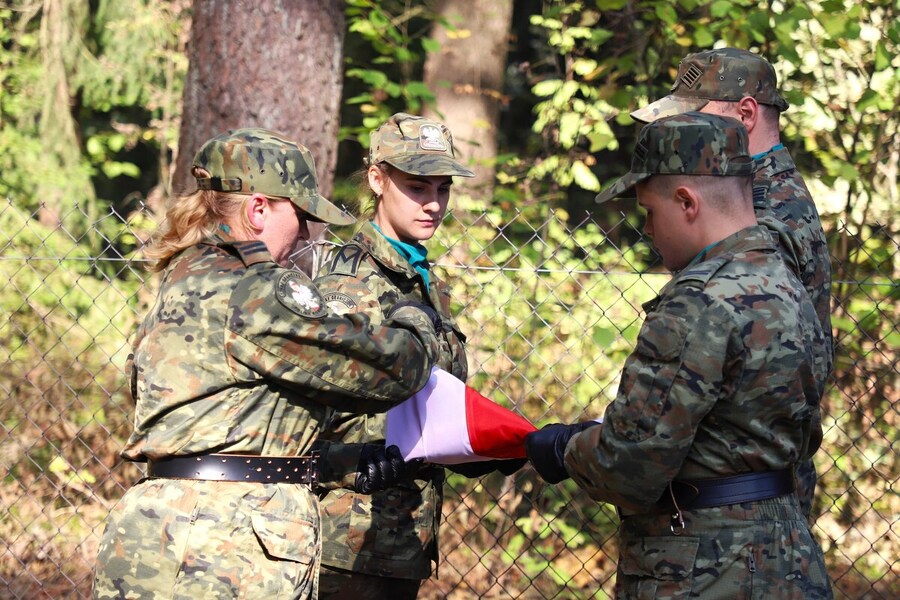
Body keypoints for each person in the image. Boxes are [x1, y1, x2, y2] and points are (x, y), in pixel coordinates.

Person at [92, 128, 443, 599]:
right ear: (259, 209)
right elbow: (395, 369)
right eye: (298, 215)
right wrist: (414, 318)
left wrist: (343, 462)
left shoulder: (182, 281)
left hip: (152, 535)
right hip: (224, 547)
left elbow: (219, 429)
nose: (304, 233)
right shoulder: (255, 289)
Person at [526, 113, 832, 598]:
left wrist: (563, 448)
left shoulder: (698, 299)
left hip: (703, 566)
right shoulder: (788, 282)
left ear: (687, 202)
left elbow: (630, 465)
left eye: (649, 210)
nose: (647, 228)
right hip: (789, 557)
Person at [630, 47, 832, 519]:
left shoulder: (765, 210)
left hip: (738, 491)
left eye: (694, 118)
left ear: (745, 114)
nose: (679, 133)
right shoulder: (754, 195)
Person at [313, 113, 485, 599]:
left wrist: (477, 443)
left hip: (405, 533)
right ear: (376, 179)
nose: (433, 204)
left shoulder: (425, 282)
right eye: (416, 186)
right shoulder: (346, 280)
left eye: (443, 188)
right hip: (346, 536)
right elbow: (319, 399)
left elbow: (431, 399)